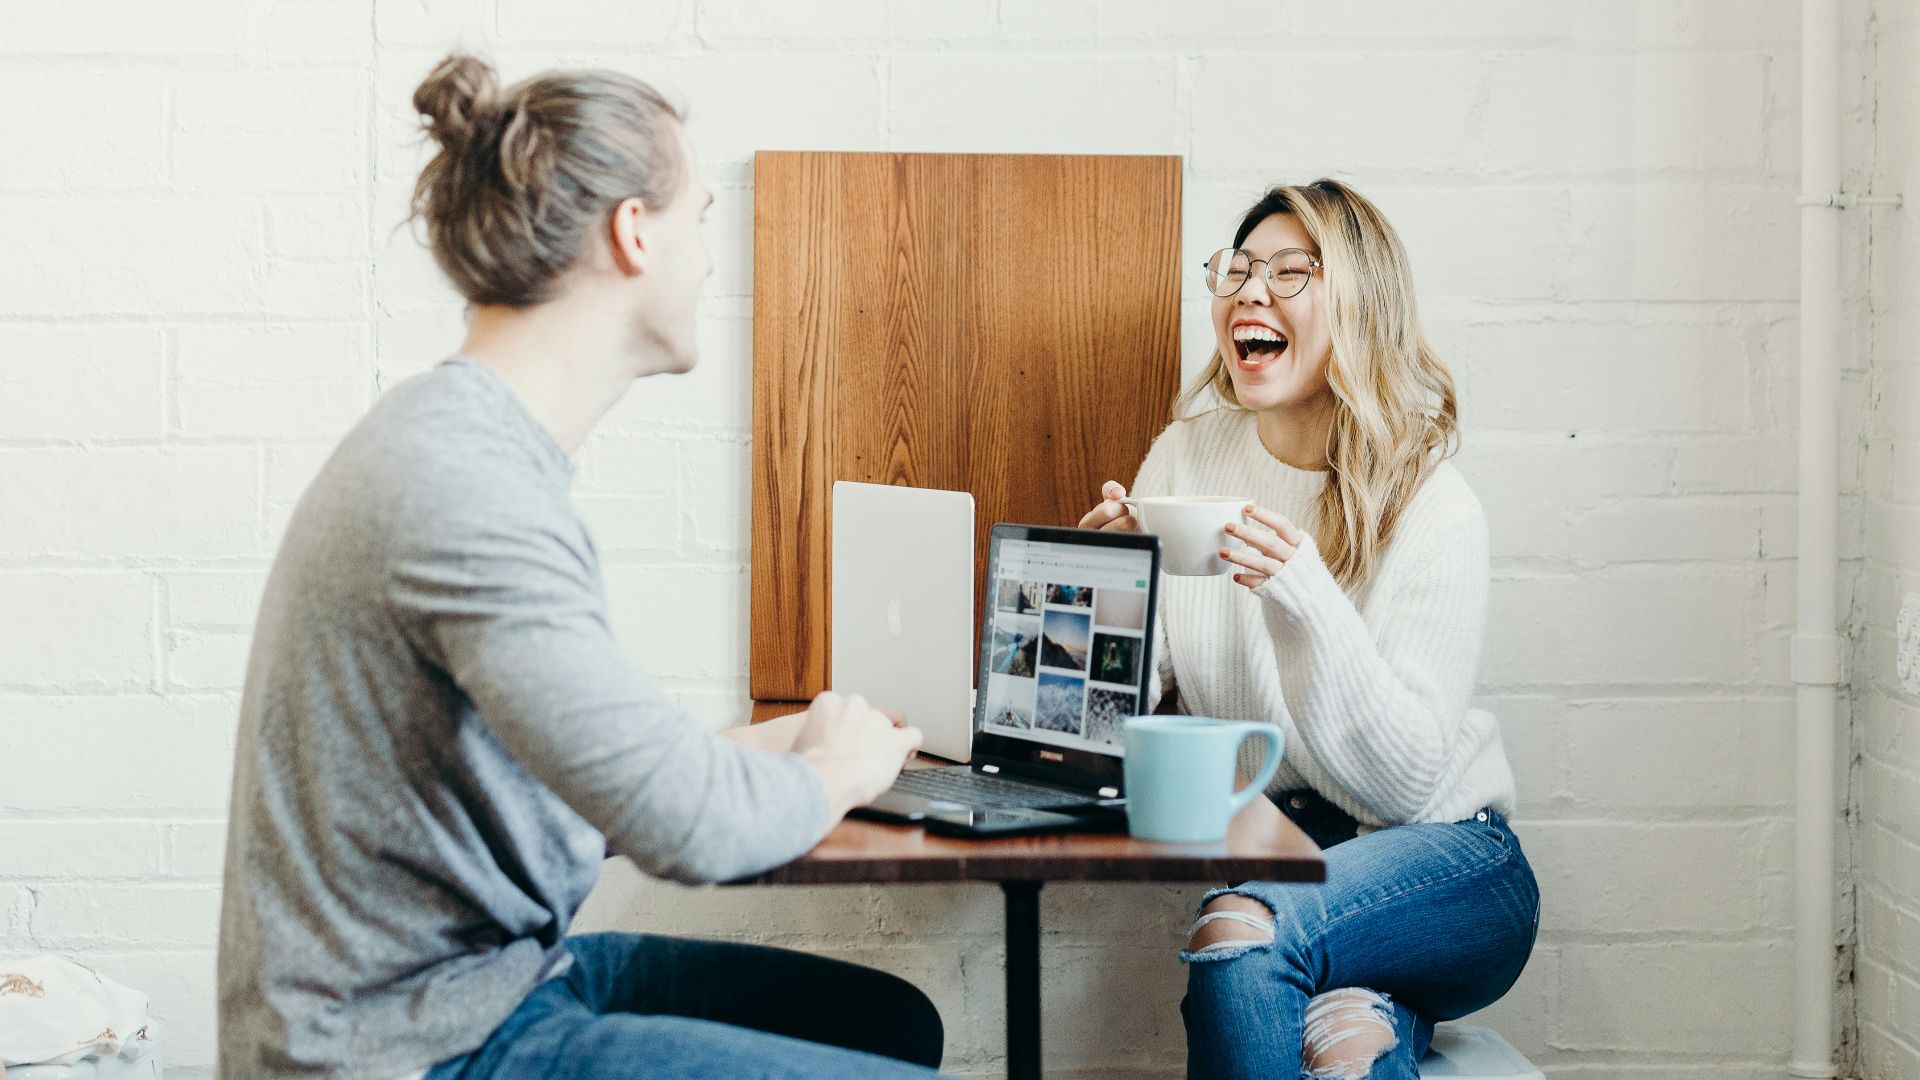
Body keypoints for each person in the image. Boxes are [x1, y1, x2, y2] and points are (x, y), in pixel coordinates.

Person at [217, 54, 941, 1080]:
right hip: (407, 1049)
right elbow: (687, 830)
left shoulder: (473, 447)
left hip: (496, 986)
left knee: (887, 1025)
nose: (706, 262)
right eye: (701, 219)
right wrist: (838, 770)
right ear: (635, 232)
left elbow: (586, 778)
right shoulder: (461, 488)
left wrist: (774, 749)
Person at [1079, 179, 1539, 1080]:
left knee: (1237, 933)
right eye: (1238, 270)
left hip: (1448, 861)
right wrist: (1114, 597)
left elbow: (1402, 786)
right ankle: (1366, 1011)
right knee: (1345, 1039)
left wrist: (1303, 597)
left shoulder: (1432, 503)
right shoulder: (1188, 454)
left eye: (1293, 272)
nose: (1252, 291)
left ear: (1360, 306)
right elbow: (1140, 702)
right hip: (1283, 852)